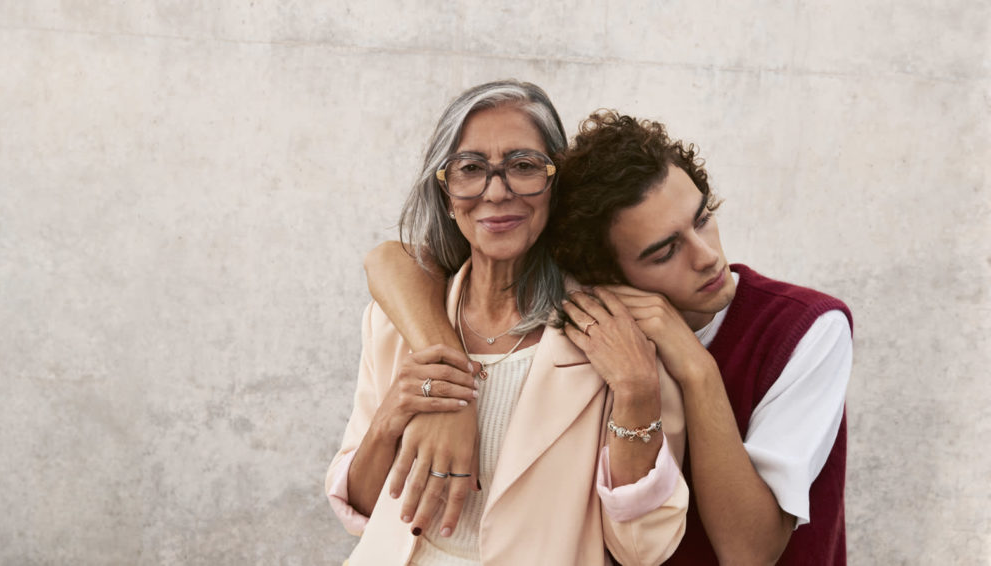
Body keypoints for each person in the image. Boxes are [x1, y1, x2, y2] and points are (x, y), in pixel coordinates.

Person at [365, 110, 853, 565]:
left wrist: (697, 369)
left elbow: (749, 553)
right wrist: (450, 383)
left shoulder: (809, 328)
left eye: (702, 218)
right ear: (603, 276)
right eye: (665, 251)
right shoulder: (591, 329)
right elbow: (391, 259)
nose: (707, 257)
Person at [326, 82, 688, 566]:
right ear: (446, 192)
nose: (496, 192)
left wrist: (639, 393)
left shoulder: (617, 337)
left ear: (556, 183)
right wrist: (395, 414)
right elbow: (362, 509)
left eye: (523, 166)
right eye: (470, 168)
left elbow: (644, 549)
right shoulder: (395, 323)